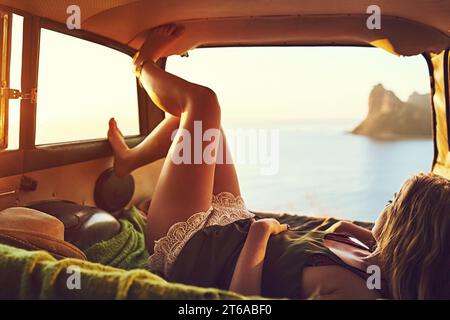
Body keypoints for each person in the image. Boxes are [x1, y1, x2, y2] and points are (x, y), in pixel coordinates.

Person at [108, 24, 450, 300]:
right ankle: (127, 161)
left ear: (410, 232)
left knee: (203, 104)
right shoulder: (376, 259)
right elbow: (343, 233)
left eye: (395, 206)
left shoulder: (358, 292)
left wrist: (261, 231)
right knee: (203, 131)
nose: (386, 208)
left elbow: (244, 301)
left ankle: (141, 65)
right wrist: (369, 239)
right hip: (230, 229)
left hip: (194, 250)